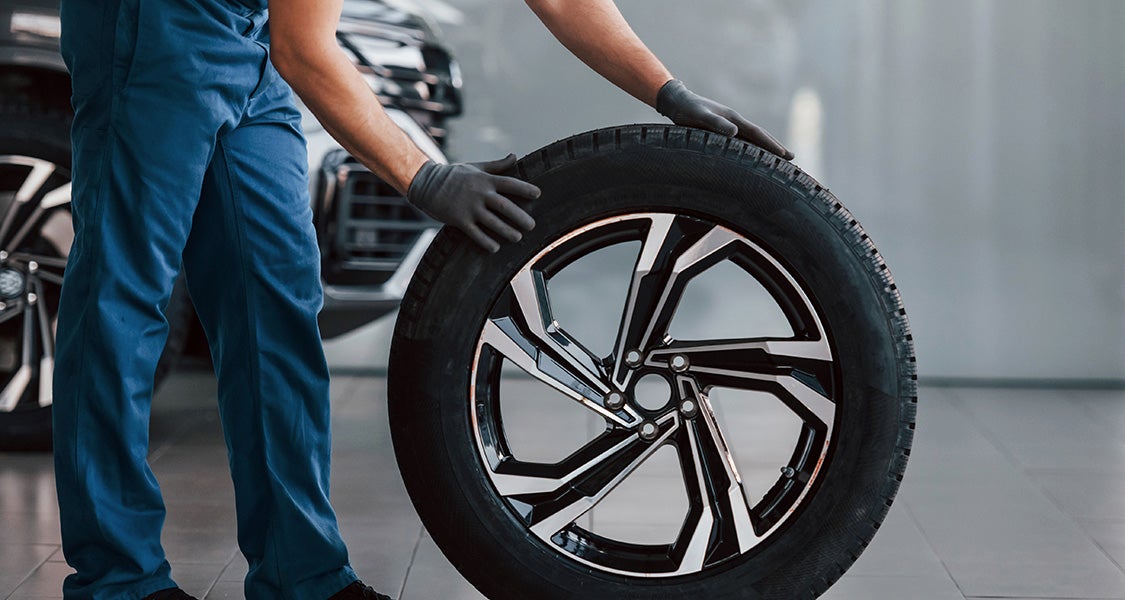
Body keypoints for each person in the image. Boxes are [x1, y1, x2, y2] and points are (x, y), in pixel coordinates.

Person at [53, 0, 793, 597]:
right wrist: (426, 177)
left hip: (251, 35)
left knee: (275, 305)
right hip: (153, 24)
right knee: (125, 301)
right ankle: (118, 580)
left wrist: (667, 92)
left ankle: (299, 575)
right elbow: (306, 49)